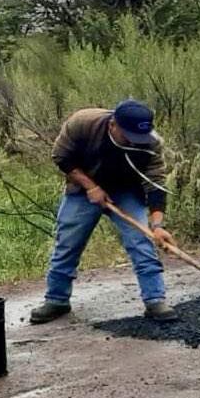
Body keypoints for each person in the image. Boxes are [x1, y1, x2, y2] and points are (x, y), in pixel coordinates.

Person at [29, 100, 179, 324]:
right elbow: (61, 157)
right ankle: (57, 300)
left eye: (139, 138)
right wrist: (91, 186)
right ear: (113, 125)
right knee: (67, 243)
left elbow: (156, 183)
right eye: (128, 136)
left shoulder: (151, 142)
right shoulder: (83, 123)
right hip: (83, 189)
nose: (134, 142)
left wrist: (157, 225)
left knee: (141, 242)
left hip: (127, 191)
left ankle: (155, 300)